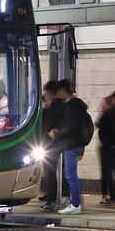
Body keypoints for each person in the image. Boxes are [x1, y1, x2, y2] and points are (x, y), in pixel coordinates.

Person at [48, 79, 89, 215]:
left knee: (70, 175)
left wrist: (57, 133)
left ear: (63, 90)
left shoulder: (72, 106)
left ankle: (75, 204)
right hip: (76, 144)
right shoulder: (77, 105)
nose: (57, 93)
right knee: (70, 174)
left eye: (58, 90)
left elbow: (71, 127)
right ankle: (76, 202)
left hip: (71, 144)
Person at [40, 80, 68, 211]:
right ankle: (63, 196)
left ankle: (52, 199)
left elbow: (46, 125)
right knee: (63, 171)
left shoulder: (53, 107)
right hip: (61, 143)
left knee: (51, 172)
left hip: (51, 144)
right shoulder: (64, 106)